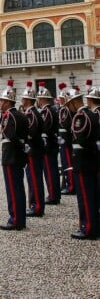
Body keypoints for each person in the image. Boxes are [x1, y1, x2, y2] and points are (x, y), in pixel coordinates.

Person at [67, 84, 99, 239]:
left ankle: (88, 228)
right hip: (91, 160)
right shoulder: (92, 114)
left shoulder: (81, 117)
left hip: (83, 161)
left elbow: (81, 140)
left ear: (74, 102)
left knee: (85, 197)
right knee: (92, 195)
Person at [0, 80, 28, 231]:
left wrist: (20, 145)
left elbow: (9, 134)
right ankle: (20, 218)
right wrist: (23, 147)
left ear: (7, 102)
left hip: (10, 156)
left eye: (2, 100)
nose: (0, 103)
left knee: (13, 189)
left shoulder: (8, 116)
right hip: (19, 156)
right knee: (19, 188)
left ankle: (15, 219)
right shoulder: (22, 115)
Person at [21, 81, 46, 218]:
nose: (21, 100)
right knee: (34, 178)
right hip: (36, 149)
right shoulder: (33, 112)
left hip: (33, 150)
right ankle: (35, 204)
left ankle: (36, 207)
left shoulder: (31, 114)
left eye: (23, 99)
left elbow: (30, 133)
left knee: (34, 179)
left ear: (27, 100)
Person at [37, 82, 61, 205]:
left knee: (50, 171)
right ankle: (55, 194)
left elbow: (45, 128)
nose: (38, 100)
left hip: (49, 145)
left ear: (42, 99)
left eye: (39, 98)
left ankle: (53, 195)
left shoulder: (47, 111)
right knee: (52, 170)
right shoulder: (51, 110)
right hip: (52, 143)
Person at [57, 82, 76, 195]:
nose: (59, 100)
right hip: (62, 139)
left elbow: (66, 125)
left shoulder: (66, 110)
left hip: (67, 140)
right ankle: (68, 183)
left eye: (61, 98)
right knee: (65, 163)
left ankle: (71, 186)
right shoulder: (63, 109)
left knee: (68, 164)